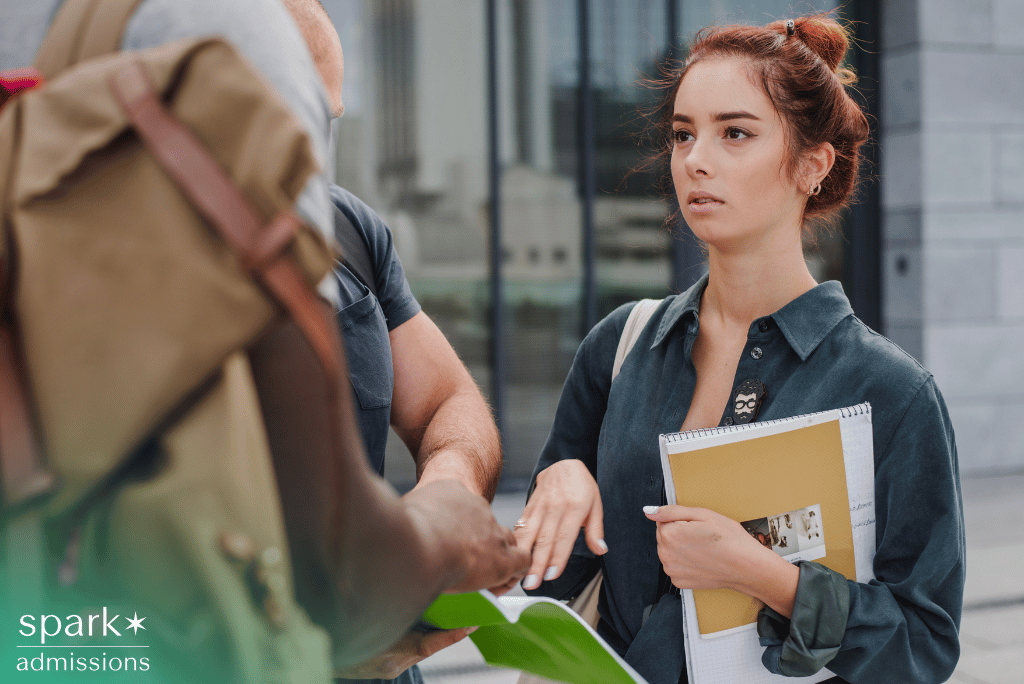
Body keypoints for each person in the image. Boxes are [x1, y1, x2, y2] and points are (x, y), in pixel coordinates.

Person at [0, 0, 530, 672]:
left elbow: (446, 401)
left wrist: (448, 480)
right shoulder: (229, 31)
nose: (317, 178)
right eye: (310, 127)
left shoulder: (349, 230)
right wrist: (446, 538)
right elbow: (337, 574)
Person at [514, 13, 964, 684]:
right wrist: (560, 479)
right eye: (682, 134)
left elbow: (922, 648)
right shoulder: (621, 346)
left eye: (735, 133)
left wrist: (765, 575)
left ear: (812, 164)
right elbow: (550, 584)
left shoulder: (891, 392)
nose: (696, 159)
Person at [281, 1, 509, 680]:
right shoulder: (106, 270)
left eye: (326, 124)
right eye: (292, 115)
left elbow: (448, 401)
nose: (309, 155)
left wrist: (443, 494)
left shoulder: (347, 228)